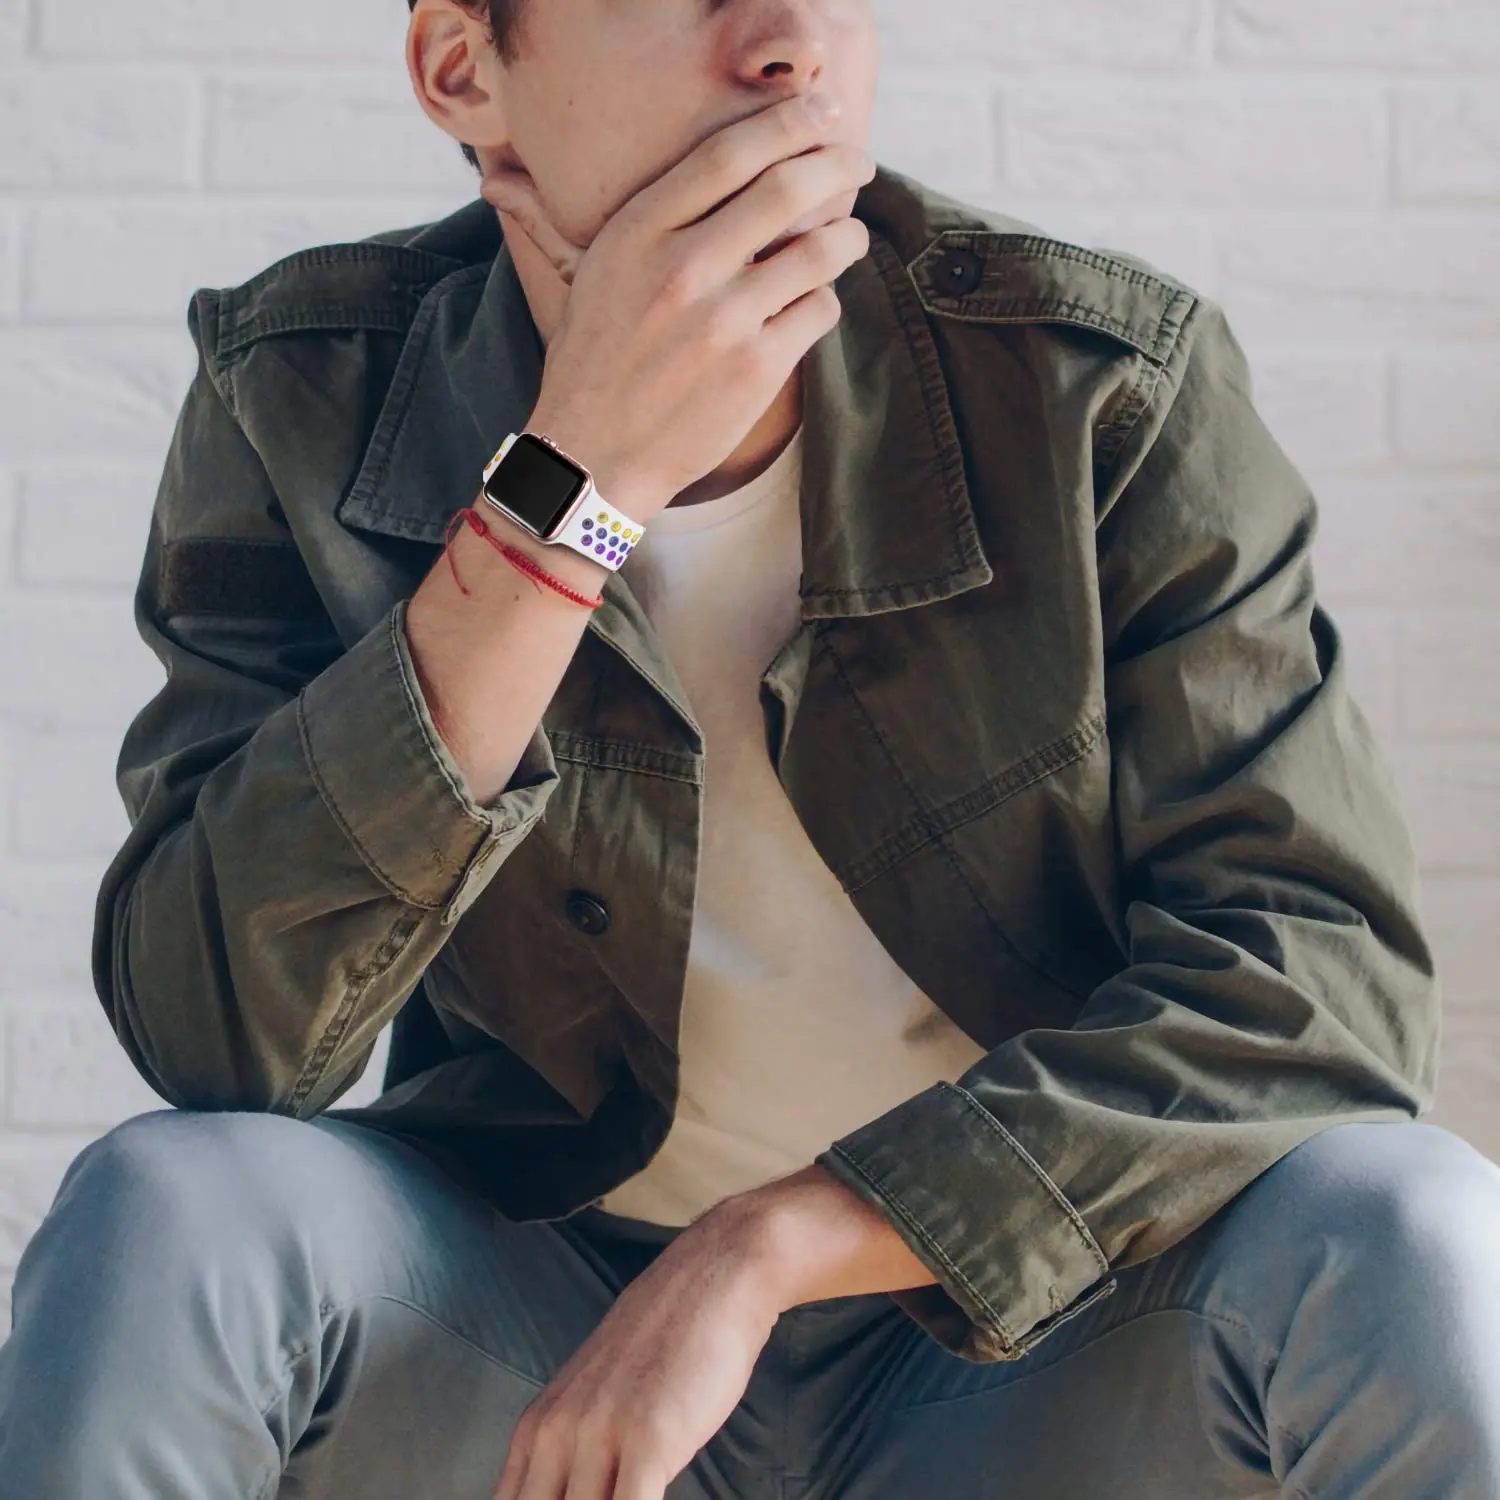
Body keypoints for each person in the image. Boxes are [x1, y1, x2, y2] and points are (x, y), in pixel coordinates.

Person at [2, 0, 1498, 1496]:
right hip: (525, 1335)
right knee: (169, 1211)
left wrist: (772, 1245)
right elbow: (213, 1033)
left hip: (1037, 1343)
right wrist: (579, 483)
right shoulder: (303, 387)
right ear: (467, 72)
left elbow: (1322, 987)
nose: (791, 41)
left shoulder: (1096, 386)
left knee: (1413, 1226)